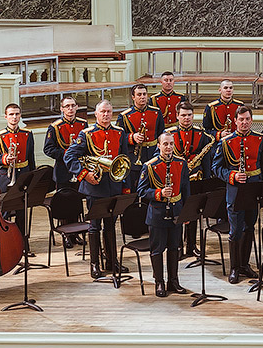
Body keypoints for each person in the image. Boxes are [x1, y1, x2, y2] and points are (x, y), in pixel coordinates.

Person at [64, 100, 131, 278]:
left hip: (114, 186)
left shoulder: (120, 132)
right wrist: (84, 174)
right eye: (103, 112)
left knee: (110, 224)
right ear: (96, 114)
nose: (106, 115)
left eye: (109, 111)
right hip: (94, 187)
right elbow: (69, 156)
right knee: (94, 226)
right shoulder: (86, 134)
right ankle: (94, 265)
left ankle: (111, 261)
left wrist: (126, 187)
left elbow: (124, 160)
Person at [210, 106, 263, 284]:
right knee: (235, 230)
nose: (244, 122)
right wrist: (233, 175)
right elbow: (216, 168)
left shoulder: (260, 139)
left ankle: (245, 264)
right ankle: (234, 268)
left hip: (253, 189)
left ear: (252, 120)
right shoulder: (226, 142)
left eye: (247, 119)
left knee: (249, 227)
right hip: (235, 190)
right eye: (241, 119)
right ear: (235, 121)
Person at [136, 132, 190, 298]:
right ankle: (159, 281)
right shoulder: (149, 165)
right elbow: (141, 191)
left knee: (174, 247)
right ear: (158, 145)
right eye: (165, 144)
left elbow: (186, 189)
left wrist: (186, 212)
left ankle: (173, 280)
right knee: (157, 249)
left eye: (171, 144)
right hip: (157, 213)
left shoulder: (181, 163)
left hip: (176, 211)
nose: (168, 147)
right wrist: (159, 193)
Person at [167, 102, 214, 256]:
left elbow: (206, 160)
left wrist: (206, 180)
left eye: (189, 115)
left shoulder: (201, 134)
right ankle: (178, 245)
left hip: (195, 178)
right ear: (177, 116)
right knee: (178, 212)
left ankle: (191, 245)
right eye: (183, 115)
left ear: (193, 116)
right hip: (175, 179)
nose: (186, 118)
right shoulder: (169, 134)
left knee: (193, 212)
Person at [43, 97, 87, 248]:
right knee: (64, 203)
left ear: (77, 107)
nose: (70, 109)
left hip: (79, 169)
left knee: (76, 202)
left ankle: (76, 233)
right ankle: (66, 235)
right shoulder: (54, 127)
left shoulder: (83, 124)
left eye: (73, 106)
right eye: (67, 106)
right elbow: (48, 149)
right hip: (63, 170)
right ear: (61, 109)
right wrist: (66, 153)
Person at [118, 83, 162, 191]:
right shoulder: (124, 116)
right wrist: (132, 137)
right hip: (134, 157)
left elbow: (161, 133)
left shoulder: (156, 112)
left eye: (144, 94)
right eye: (139, 94)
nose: (142, 97)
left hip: (153, 154)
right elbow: (118, 137)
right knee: (135, 187)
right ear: (133, 97)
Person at [202, 80, 241, 146]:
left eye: (231, 88)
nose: (228, 90)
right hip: (218, 142)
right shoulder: (211, 107)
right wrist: (219, 134)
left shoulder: (239, 106)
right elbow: (206, 131)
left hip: (237, 141)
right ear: (220, 90)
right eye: (225, 88)